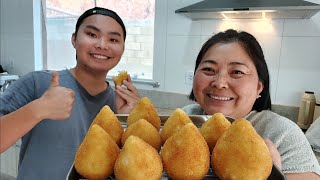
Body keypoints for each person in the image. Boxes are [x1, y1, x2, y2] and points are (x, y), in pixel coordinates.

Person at [0, 7, 140, 179]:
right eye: (92, 35)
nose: (102, 45)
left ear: (122, 49)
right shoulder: (39, 83)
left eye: (113, 39)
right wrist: (37, 110)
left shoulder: (119, 103)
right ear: (74, 39)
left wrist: (127, 122)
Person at [182, 29, 320, 179]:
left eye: (237, 72)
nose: (219, 83)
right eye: (208, 69)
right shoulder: (187, 117)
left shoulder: (282, 133)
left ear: (259, 87)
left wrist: (272, 174)